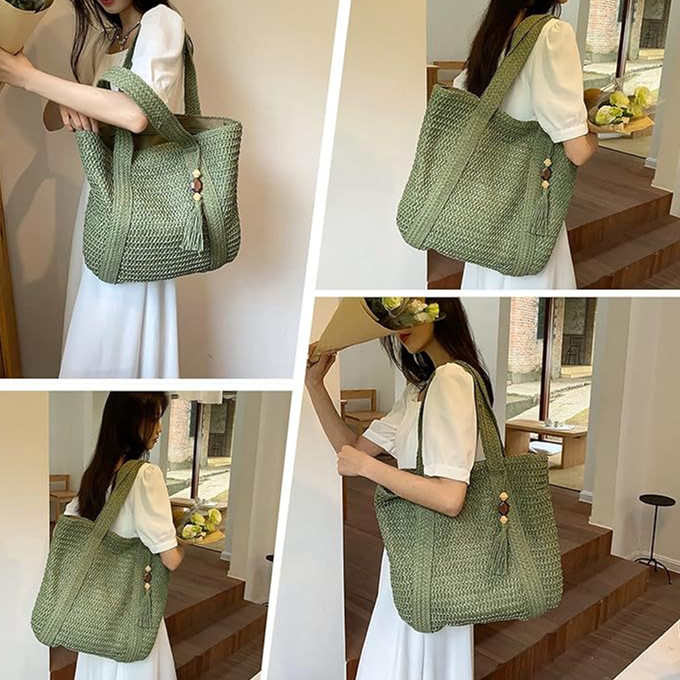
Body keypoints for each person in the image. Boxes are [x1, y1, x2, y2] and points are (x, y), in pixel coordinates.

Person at [0, 0, 188, 377]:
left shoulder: (161, 21)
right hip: (102, 202)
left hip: (138, 208)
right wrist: (66, 102)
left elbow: (136, 114)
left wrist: (27, 77)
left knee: (115, 327)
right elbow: (51, 118)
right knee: (97, 329)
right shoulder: (106, 42)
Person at [306, 298, 491, 680]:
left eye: (410, 308)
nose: (401, 324)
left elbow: (450, 498)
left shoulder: (452, 380)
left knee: (398, 659)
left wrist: (369, 469)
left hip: (432, 554)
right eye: (392, 316)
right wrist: (315, 385)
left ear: (440, 310)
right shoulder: (420, 390)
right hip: (419, 550)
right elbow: (351, 449)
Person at [456, 0, 598, 290]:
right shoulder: (552, 34)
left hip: (483, 203)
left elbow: (467, 98)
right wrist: (595, 133)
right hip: (529, 207)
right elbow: (577, 151)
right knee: (529, 277)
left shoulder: (491, 35)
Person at [63, 391, 184, 679]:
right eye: (154, 418)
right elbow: (170, 559)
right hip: (133, 607)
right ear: (130, 422)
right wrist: (183, 542)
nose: (160, 428)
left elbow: (71, 522)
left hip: (96, 606)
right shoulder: (145, 475)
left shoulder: (96, 473)